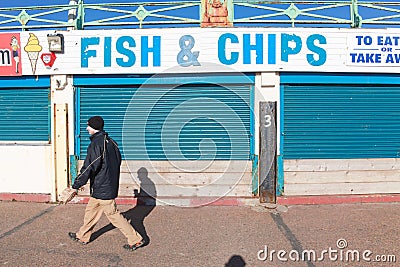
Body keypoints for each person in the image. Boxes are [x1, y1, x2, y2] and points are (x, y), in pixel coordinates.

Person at [68, 116, 144, 251]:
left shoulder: (96, 144)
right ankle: (82, 236)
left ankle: (136, 239)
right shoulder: (111, 142)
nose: (87, 129)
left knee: (113, 215)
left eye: (88, 126)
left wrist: (76, 185)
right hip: (105, 186)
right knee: (91, 211)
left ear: (94, 127)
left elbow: (90, 166)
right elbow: (117, 161)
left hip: (103, 187)